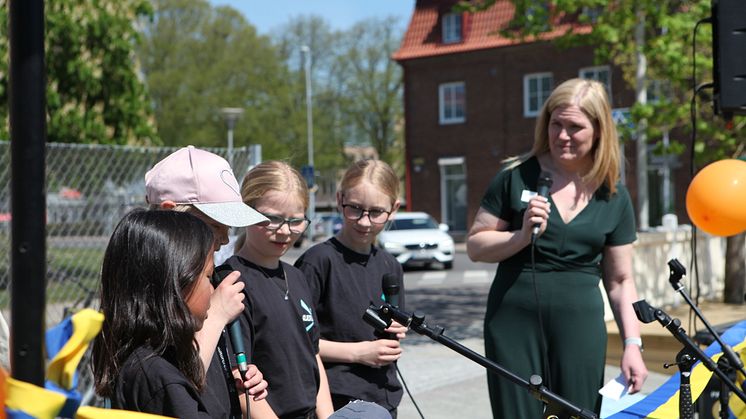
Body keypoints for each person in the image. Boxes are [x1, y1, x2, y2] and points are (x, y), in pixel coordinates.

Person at [466, 78, 648, 417]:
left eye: (575, 127)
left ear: (598, 130)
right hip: (512, 323)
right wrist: (520, 237)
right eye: (556, 124)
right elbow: (476, 245)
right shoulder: (515, 177)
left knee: (578, 413)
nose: (562, 136)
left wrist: (632, 344)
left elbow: (621, 281)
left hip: (580, 326)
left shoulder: (614, 196)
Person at [92, 209, 266, 417]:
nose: (212, 290)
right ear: (175, 284)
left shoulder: (161, 358)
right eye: (208, 276)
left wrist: (232, 388)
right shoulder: (157, 377)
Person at [144, 145, 269, 417]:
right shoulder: (147, 297)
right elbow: (173, 389)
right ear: (171, 213)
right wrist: (216, 317)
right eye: (214, 226)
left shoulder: (207, 283)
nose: (224, 239)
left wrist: (237, 381)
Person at [221, 160, 335, 419]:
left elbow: (312, 354)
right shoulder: (232, 281)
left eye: (295, 221)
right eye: (271, 219)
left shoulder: (296, 276)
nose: (285, 231)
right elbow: (241, 378)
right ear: (245, 210)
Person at [294, 159, 407, 417]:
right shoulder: (318, 261)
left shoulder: (390, 265)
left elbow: (391, 334)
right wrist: (359, 353)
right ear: (339, 199)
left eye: (376, 212)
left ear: (394, 209)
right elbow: (297, 342)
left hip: (384, 395)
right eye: (355, 209)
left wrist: (398, 332)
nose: (364, 222)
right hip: (335, 397)